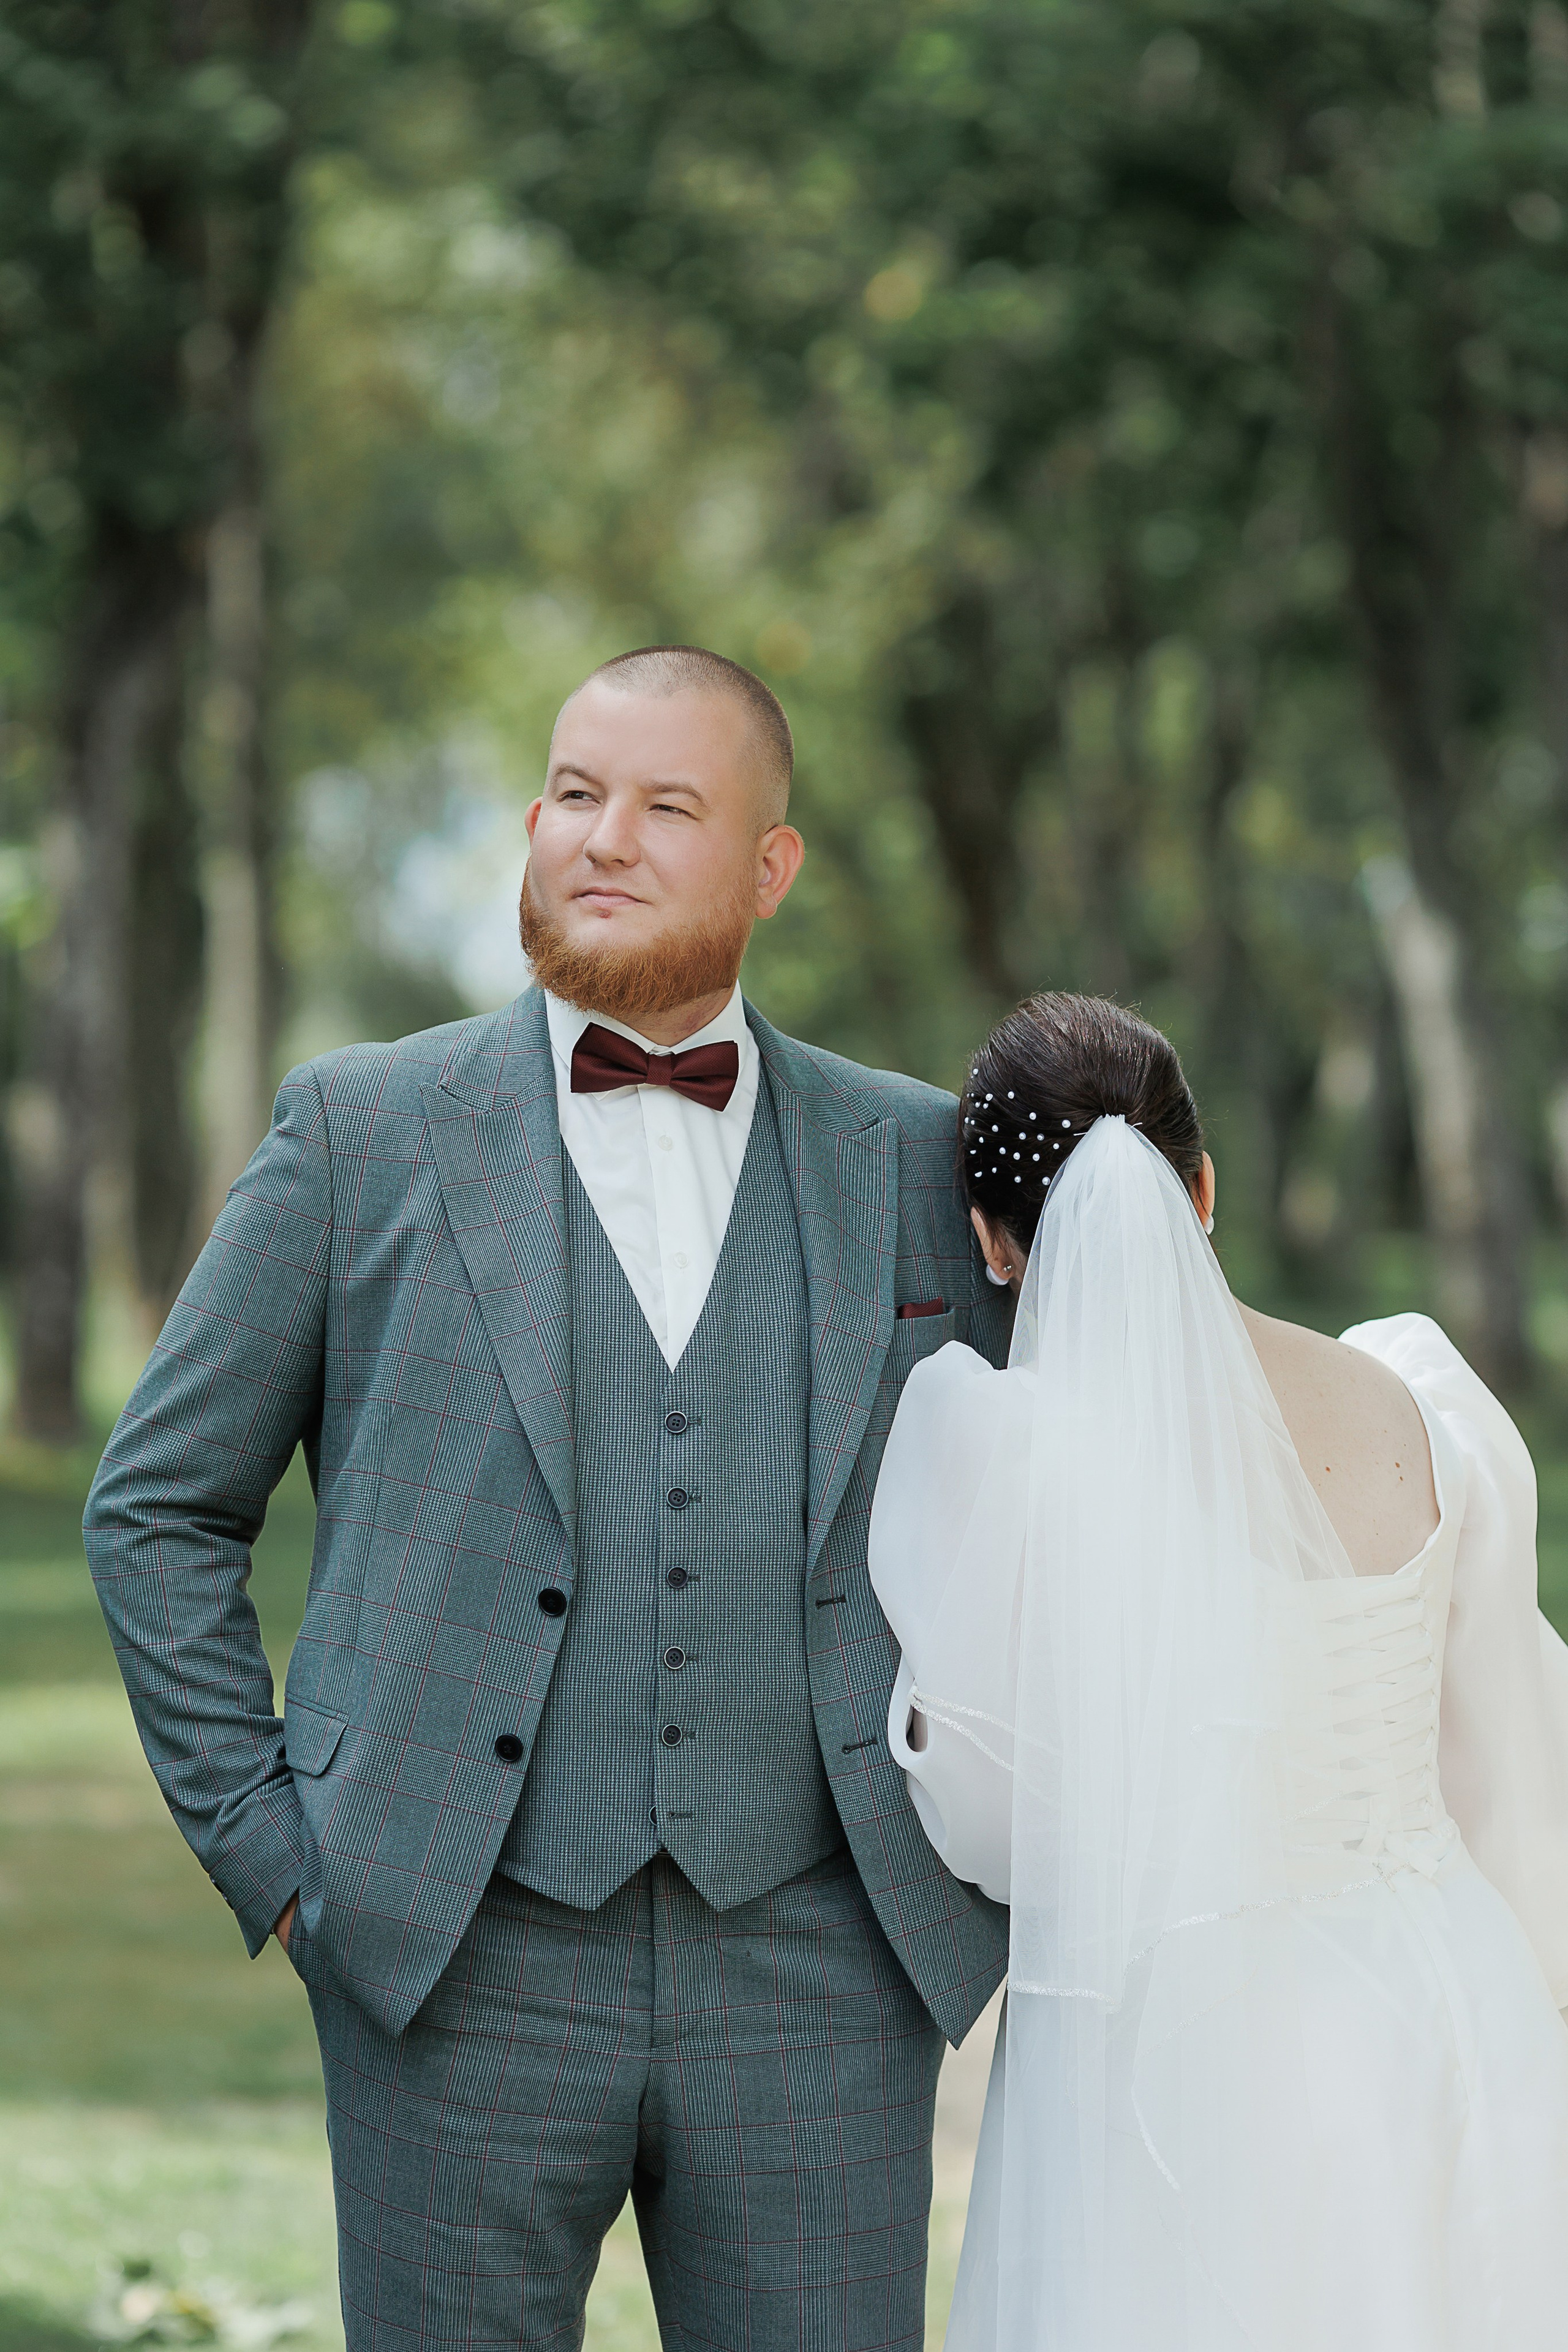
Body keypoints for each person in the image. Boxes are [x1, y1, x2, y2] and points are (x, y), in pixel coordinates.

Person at [83, 645, 1011, 2351]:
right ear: (531, 820)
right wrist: (279, 1858)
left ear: (770, 866)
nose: (606, 837)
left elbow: (1063, 1503)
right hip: (449, 1950)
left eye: (670, 807)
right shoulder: (361, 1130)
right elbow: (156, 1508)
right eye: (579, 795)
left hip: (820, 1963)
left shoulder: (912, 1160)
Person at [869, 991, 1568, 2352]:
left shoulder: (1007, 1460)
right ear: (1202, 1186)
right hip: (1442, 1993)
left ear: (992, 1244)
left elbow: (994, 1832)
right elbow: (1511, 1753)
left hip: (1183, 2061)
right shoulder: (1419, 1404)